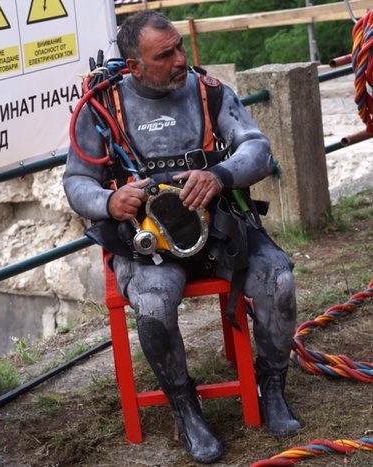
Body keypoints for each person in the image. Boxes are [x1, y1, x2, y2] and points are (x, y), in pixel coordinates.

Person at [64, 10, 301, 464]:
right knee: (154, 305)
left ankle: (272, 386)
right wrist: (109, 202)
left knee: (279, 280)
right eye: (165, 54)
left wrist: (219, 175)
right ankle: (185, 409)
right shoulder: (100, 108)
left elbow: (257, 147)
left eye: (179, 47)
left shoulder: (210, 92)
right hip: (146, 239)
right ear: (134, 66)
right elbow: (77, 181)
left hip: (222, 227)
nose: (180, 59)